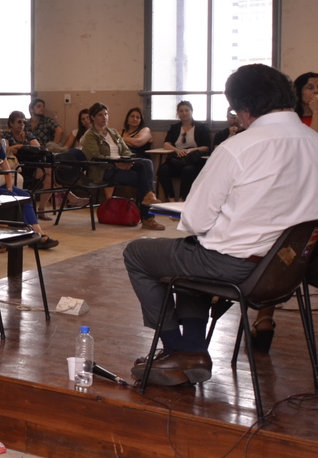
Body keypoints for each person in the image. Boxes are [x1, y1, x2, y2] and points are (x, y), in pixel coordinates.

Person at [124, 64, 318, 385]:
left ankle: (177, 348)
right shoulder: (313, 141)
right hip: (288, 271)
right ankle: (193, 349)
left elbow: (196, 220)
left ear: (245, 109)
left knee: (139, 253)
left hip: (237, 268)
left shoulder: (238, 148)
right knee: (192, 253)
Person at [0, 114, 57, 249]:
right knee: (15, 198)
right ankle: (32, 234)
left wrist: (9, 187)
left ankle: (38, 233)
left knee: (26, 196)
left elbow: (6, 169)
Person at [79, 103, 165, 231]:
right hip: (103, 170)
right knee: (143, 180)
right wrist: (117, 164)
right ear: (93, 117)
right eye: (100, 115)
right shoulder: (90, 136)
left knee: (146, 163)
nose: (104, 117)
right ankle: (148, 217)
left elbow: (125, 150)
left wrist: (129, 161)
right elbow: (95, 157)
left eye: (106, 114)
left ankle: (149, 196)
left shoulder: (113, 132)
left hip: (120, 164)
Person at [158, 100, 211, 201]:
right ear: (178, 113)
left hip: (193, 160)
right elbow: (166, 144)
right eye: (181, 111)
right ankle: (171, 199)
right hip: (177, 158)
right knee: (163, 169)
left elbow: (206, 147)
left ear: (191, 111)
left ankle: (182, 199)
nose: (184, 113)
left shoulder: (201, 127)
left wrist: (191, 150)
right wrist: (177, 150)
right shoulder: (174, 127)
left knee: (188, 170)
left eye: (187, 110)